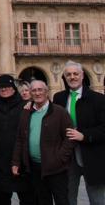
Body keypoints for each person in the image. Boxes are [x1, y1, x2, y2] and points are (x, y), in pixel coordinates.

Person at [13, 80, 74, 205]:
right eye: (34, 90)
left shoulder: (59, 112)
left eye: (40, 90)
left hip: (56, 169)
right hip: (35, 168)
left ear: (46, 92)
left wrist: (60, 158)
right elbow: (20, 138)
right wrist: (16, 162)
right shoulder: (26, 112)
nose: (37, 93)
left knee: (62, 200)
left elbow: (70, 137)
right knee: (43, 200)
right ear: (30, 93)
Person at [52, 61, 105, 205]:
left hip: (93, 156)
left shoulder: (98, 99)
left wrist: (85, 135)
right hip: (67, 157)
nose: (72, 77)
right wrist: (29, 105)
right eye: (68, 74)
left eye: (76, 74)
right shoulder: (58, 98)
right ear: (64, 77)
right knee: (67, 198)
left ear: (82, 76)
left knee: (98, 200)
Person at [0, 75, 32, 205]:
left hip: (22, 161)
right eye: (1, 87)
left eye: (7, 87)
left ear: (14, 88)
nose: (4, 89)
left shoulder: (26, 107)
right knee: (1, 198)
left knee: (28, 197)